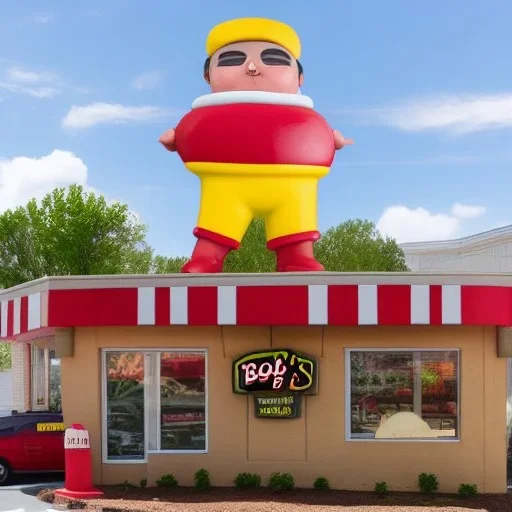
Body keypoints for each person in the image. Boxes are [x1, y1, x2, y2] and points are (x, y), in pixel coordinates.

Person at [159, 17, 353, 273]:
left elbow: (329, 138)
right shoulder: (209, 112)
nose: (252, 67)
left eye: (273, 59)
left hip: (293, 186)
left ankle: (296, 258)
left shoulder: (305, 115)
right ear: (208, 75)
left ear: (300, 77)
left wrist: (331, 139)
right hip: (225, 184)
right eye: (232, 60)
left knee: (295, 222)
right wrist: (177, 137)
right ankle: (207, 258)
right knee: (217, 221)